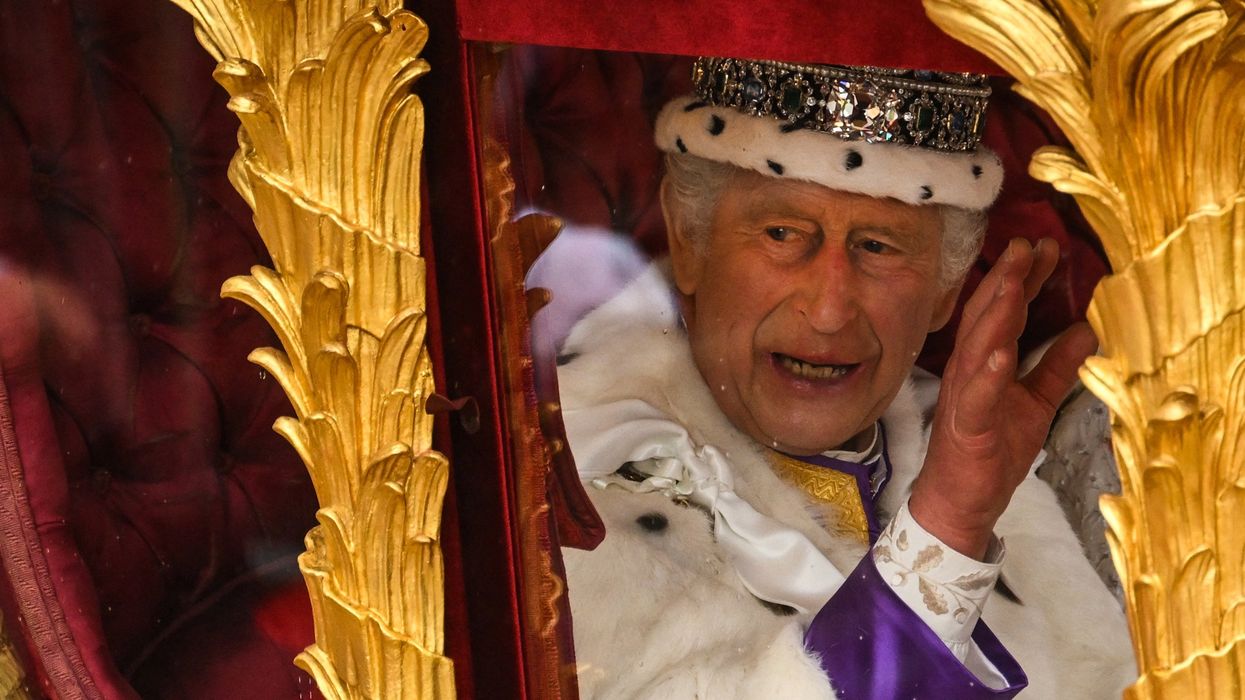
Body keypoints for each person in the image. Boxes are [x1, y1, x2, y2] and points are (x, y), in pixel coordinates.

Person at [548, 57, 1135, 698]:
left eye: (878, 246)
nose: (828, 313)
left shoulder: (999, 477)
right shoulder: (580, 501)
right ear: (690, 240)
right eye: (781, 234)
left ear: (947, 288)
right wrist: (946, 531)